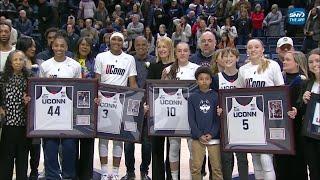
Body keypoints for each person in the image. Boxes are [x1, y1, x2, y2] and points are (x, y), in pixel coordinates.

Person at [238, 39, 297, 180]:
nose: (253, 50)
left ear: (263, 49)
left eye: (256, 47)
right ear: (246, 51)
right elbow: (239, 94)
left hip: (269, 117)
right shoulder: (243, 70)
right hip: (252, 117)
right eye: (250, 47)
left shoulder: (273, 65)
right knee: (256, 159)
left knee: (266, 158)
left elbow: (282, 91)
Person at [95, 32, 138, 180]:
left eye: (120, 40)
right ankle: (104, 172)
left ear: (124, 43)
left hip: (120, 101)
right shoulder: (101, 57)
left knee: (118, 137)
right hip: (103, 100)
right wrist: (96, 97)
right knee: (103, 137)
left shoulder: (129, 59)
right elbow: (97, 80)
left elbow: (132, 83)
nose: (116, 42)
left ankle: (115, 172)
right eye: (114, 39)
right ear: (109, 40)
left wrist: (136, 101)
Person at [40, 33, 81, 180]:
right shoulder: (45, 66)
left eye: (62, 45)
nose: (59, 48)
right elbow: (39, 89)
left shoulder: (75, 66)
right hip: (50, 113)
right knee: (50, 147)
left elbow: (80, 89)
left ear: (67, 47)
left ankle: (68, 176)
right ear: (52, 46)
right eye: (56, 45)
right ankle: (52, 176)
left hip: (68, 113)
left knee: (69, 147)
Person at [162, 42, 200, 180]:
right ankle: (174, 177)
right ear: (175, 53)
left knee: (192, 150)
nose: (182, 53)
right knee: (173, 148)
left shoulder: (197, 69)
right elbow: (161, 94)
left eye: (185, 50)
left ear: (189, 52)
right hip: (173, 116)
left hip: (191, 116)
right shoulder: (167, 70)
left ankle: (191, 177)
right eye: (179, 51)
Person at [212, 48, 249, 180]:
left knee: (242, 158)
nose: (228, 59)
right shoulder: (216, 78)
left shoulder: (244, 76)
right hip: (224, 122)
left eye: (231, 56)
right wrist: (217, 109)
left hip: (241, 121)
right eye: (225, 56)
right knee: (226, 158)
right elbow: (213, 99)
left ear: (237, 58)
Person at [121, 36, 154, 180]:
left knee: (147, 144)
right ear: (134, 46)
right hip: (131, 105)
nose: (141, 47)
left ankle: (144, 171)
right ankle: (129, 171)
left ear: (148, 46)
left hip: (149, 107)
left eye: (144, 45)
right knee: (129, 142)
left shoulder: (154, 61)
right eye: (138, 45)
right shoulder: (129, 60)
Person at [274, 51, 308, 180]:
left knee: (297, 165)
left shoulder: (303, 81)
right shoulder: (278, 79)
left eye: (288, 60)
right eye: (284, 59)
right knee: (280, 165)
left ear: (298, 63)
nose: (284, 61)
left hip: (296, 129)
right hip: (279, 127)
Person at [188, 66, 223, 180]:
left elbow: (218, 119)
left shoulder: (216, 96)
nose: (204, 81)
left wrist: (212, 134)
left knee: (217, 168)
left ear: (211, 80)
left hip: (214, 137)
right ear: (197, 80)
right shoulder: (192, 98)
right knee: (196, 168)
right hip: (197, 138)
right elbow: (191, 119)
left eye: (207, 78)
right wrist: (199, 135)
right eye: (201, 78)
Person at [0, 50, 30, 180]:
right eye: (15, 60)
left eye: (21, 59)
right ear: (10, 62)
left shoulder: (29, 80)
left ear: (25, 62)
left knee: (22, 159)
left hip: (23, 124)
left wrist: (28, 101)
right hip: (7, 124)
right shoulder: (3, 78)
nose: (18, 62)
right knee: (6, 158)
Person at [148, 36, 175, 180]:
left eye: (164, 47)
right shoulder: (153, 66)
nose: (161, 49)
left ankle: (171, 176)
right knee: (157, 149)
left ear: (170, 49)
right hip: (157, 114)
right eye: (159, 47)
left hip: (172, 113)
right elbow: (149, 88)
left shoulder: (177, 66)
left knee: (172, 149)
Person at [15, 36, 41, 179]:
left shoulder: (38, 63)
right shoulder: (17, 65)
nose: (34, 48)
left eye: (34, 46)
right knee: (24, 146)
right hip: (21, 111)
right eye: (30, 46)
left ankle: (35, 172)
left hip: (36, 111)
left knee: (36, 145)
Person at [73, 36, 95, 180]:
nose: (84, 47)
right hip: (73, 105)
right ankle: (73, 172)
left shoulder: (94, 63)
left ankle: (86, 174)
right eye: (82, 44)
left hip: (89, 106)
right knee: (73, 141)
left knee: (88, 139)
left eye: (87, 45)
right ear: (78, 46)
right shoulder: (71, 61)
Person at [301, 48, 320, 180]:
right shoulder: (307, 83)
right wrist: (303, 100)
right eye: (311, 62)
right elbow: (301, 110)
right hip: (311, 135)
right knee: (313, 170)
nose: (314, 64)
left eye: (318, 60)